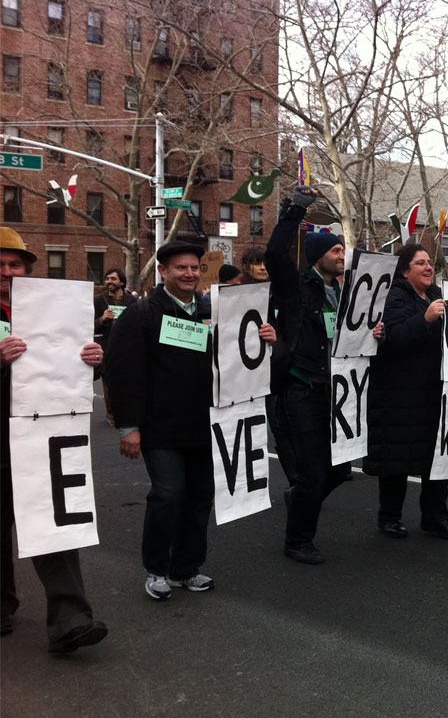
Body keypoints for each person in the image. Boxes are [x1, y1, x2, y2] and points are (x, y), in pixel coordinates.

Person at [106, 240, 277, 599]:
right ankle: (155, 569)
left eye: (194, 268)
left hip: (205, 424)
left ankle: (186, 569)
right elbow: (123, 372)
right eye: (180, 268)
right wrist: (129, 427)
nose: (188, 274)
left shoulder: (210, 311)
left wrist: (268, 340)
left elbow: (240, 358)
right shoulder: (142, 314)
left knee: (200, 498)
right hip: (159, 428)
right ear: (163, 272)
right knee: (168, 494)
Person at [1, 227, 108, 652]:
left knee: (54, 524)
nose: (7, 272)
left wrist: (93, 363)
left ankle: (70, 619)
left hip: (43, 433)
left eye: (14, 265)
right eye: (0, 265)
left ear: (29, 270)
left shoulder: (51, 311)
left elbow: (67, 367)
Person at [265, 186, 369, 563]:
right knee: (311, 472)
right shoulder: (296, 288)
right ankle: (298, 541)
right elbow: (275, 253)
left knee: (340, 470)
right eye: (335, 251)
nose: (342, 256)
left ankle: (298, 500)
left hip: (339, 393)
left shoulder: (346, 294)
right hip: (303, 390)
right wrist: (295, 210)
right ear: (316, 257)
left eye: (342, 251)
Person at [364, 244, 448, 539]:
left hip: (434, 392)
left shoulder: (435, 295)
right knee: (397, 459)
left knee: (438, 457)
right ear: (405, 270)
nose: (429, 267)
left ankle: (435, 517)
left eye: (430, 262)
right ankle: (389, 517)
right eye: (421, 263)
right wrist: (426, 320)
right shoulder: (394, 296)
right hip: (400, 394)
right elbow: (392, 340)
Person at [93, 268, 138, 426]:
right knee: (108, 384)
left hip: (128, 348)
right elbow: (90, 326)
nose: (109, 282)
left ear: (122, 282)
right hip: (107, 348)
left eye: (113, 279)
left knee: (127, 383)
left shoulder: (132, 301)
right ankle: (111, 414)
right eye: (107, 279)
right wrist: (102, 319)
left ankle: (125, 412)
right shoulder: (99, 300)